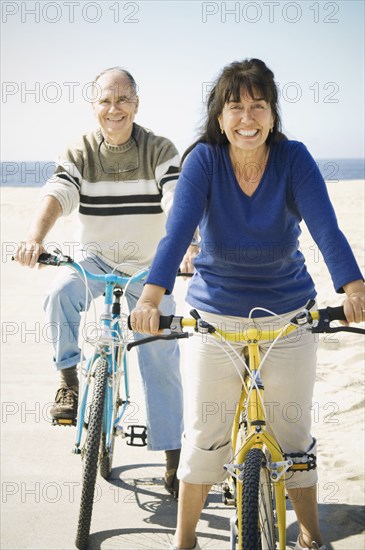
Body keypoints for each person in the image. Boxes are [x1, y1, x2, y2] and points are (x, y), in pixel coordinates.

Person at [130, 58, 365, 550]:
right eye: (235, 107)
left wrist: (353, 287)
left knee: (293, 435)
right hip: (215, 317)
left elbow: (326, 228)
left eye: (258, 106)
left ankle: (311, 536)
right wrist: (152, 296)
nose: (247, 118)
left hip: (288, 314)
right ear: (220, 116)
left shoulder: (294, 159)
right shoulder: (203, 162)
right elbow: (177, 234)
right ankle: (185, 540)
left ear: (273, 114)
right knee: (206, 434)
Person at [15, 67, 196, 498]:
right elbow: (57, 195)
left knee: (160, 359)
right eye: (104, 100)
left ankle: (172, 458)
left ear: (136, 103)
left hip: (150, 268)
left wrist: (188, 246)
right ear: (94, 105)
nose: (113, 109)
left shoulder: (159, 148)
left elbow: (176, 200)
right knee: (59, 292)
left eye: (123, 100)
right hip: (95, 259)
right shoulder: (80, 150)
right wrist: (34, 239)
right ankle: (69, 380)